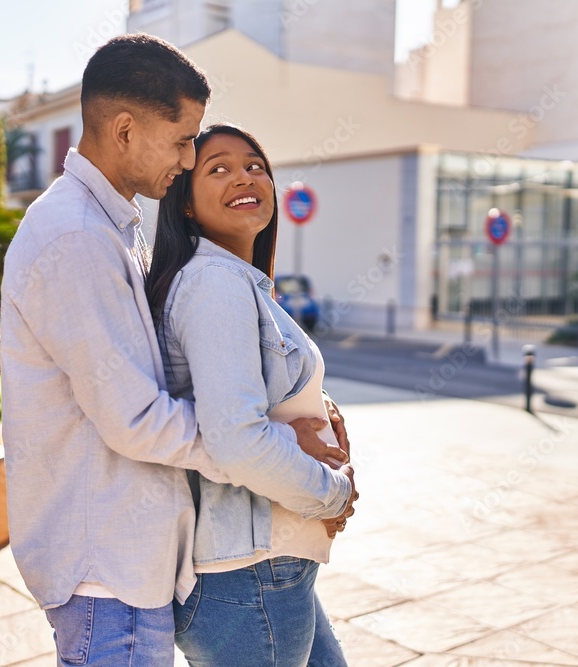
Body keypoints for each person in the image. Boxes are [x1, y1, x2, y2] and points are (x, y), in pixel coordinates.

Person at [0, 35, 356, 666]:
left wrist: (289, 414)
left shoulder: (110, 229)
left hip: (135, 561)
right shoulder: (76, 238)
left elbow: (183, 382)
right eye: (185, 139)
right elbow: (137, 418)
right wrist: (284, 454)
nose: (189, 157)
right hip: (106, 568)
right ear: (127, 129)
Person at [146, 123, 356, 666]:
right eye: (218, 168)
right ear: (185, 204)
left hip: (272, 567)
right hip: (249, 576)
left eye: (255, 165)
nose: (245, 176)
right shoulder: (214, 283)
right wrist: (333, 494)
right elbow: (237, 439)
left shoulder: (237, 281)